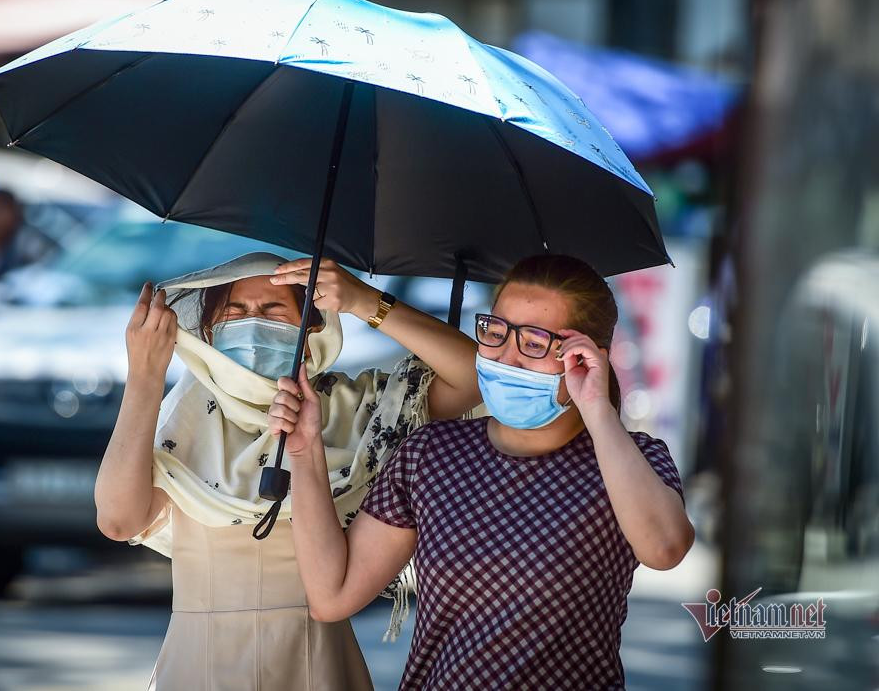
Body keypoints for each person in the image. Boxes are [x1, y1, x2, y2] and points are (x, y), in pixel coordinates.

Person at [272, 253, 695, 690]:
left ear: (587, 357)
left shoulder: (629, 460)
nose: (506, 359)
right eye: (497, 333)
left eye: (534, 342)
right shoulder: (432, 453)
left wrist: (596, 408)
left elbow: (665, 549)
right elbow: (332, 595)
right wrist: (305, 453)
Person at [94, 252, 482, 691]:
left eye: (274, 311)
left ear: (310, 329)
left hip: (319, 665)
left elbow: (473, 378)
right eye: (235, 312)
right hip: (198, 667)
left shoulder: (350, 409)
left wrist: (365, 301)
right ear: (208, 331)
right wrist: (144, 376)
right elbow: (118, 519)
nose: (253, 324)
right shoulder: (186, 419)